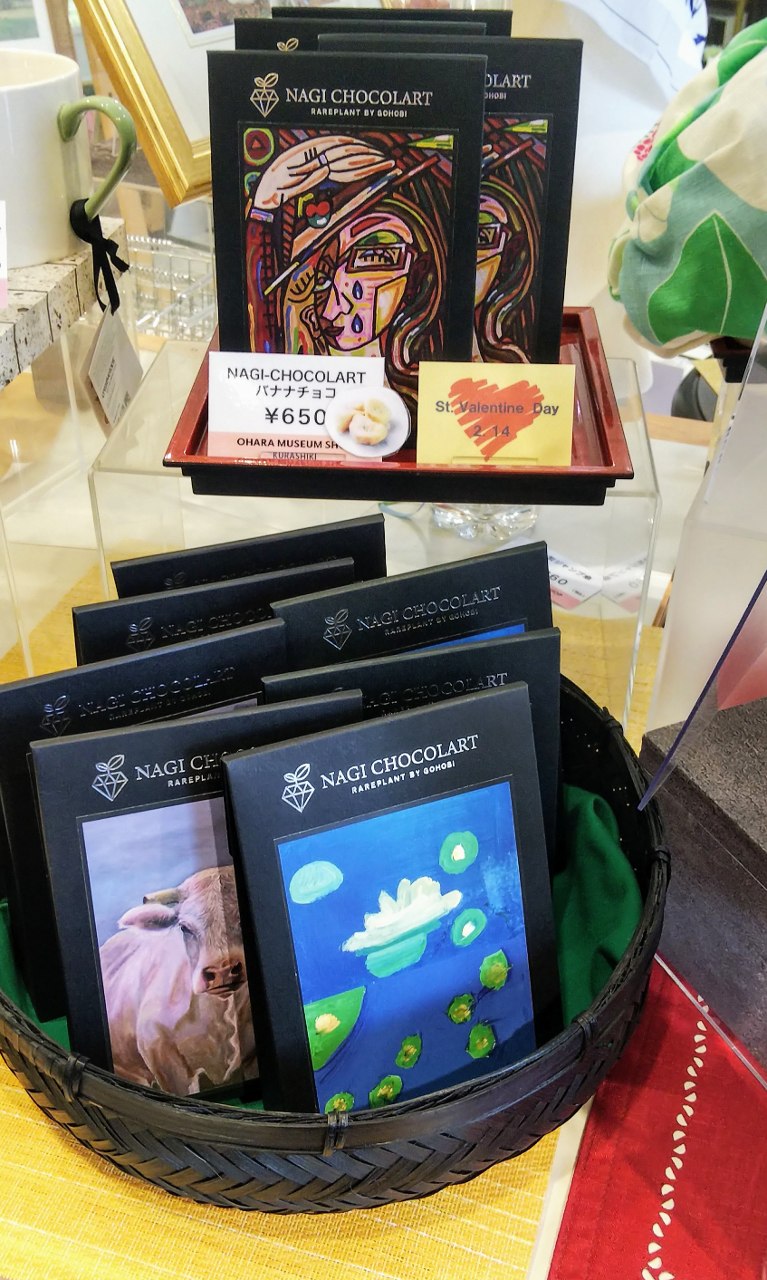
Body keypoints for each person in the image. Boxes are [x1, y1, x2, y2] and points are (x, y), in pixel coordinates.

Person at [243, 130, 450, 413]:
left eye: (372, 257)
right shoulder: (289, 393)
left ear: (418, 271)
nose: (335, 304)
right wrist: (263, 210)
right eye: (320, 277)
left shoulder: (430, 404)